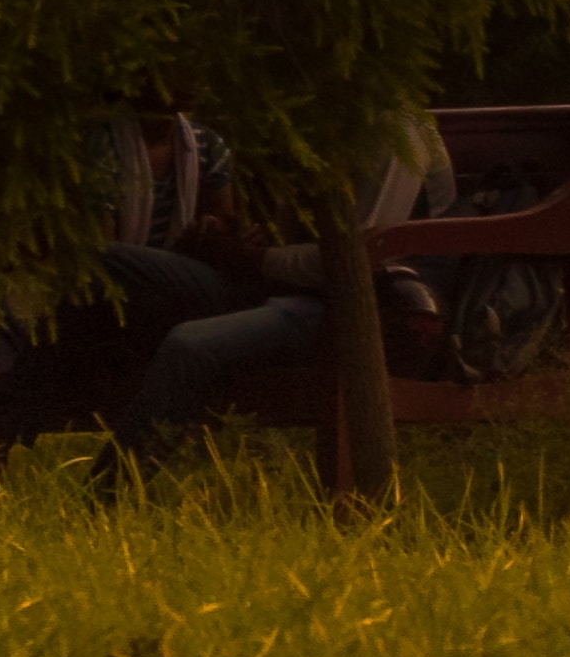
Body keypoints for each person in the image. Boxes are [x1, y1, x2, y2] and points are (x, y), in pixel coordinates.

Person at [98, 113, 450, 465]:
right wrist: (232, 235)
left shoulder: (392, 128)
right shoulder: (312, 115)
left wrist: (256, 258)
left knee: (188, 345)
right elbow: (296, 234)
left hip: (350, 305)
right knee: (106, 258)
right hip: (275, 281)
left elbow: (355, 263)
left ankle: (106, 495)